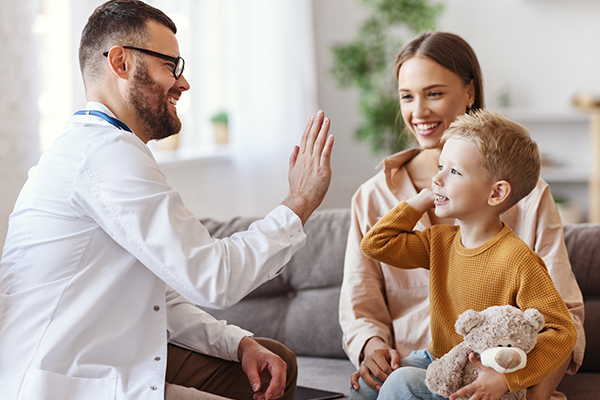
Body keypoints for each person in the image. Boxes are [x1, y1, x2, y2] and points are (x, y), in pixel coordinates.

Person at [0, 1, 334, 399]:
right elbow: (213, 278)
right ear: (121, 62)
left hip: (107, 355)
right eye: (170, 66)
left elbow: (157, 296)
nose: (183, 82)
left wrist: (239, 344)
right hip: (64, 379)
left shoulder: (102, 147)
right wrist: (300, 201)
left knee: (276, 360)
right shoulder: (105, 154)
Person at [338, 31, 584, 400]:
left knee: (403, 385)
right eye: (407, 96)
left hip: (492, 368)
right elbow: (366, 285)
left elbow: (563, 324)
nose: (418, 111)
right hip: (426, 360)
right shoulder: (379, 201)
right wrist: (371, 346)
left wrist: (519, 384)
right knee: (373, 389)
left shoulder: (527, 206)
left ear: (470, 92)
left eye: (434, 93)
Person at [359, 109, 577, 400]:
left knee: (402, 383)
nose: (437, 179)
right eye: (440, 166)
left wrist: (508, 378)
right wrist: (420, 200)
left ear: (496, 193)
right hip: (442, 360)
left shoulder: (519, 260)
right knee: (369, 383)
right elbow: (375, 244)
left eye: (454, 172)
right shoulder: (439, 241)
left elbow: (562, 331)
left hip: (482, 373)